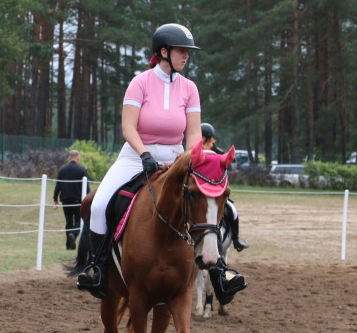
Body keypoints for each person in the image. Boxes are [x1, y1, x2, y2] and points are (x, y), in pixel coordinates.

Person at [77, 24, 245, 301]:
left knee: (216, 203)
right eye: (182, 51)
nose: (186, 56)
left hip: (177, 156)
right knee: (97, 205)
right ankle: (99, 269)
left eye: (188, 52)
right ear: (163, 52)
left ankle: (220, 273)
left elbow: (193, 133)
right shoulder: (140, 82)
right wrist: (144, 153)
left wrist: (195, 158)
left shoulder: (189, 88)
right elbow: (128, 126)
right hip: (136, 156)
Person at [201, 123, 248, 251]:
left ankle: (236, 239)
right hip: (199, 189)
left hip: (216, 189)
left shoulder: (218, 152)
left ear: (208, 138)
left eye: (202, 136)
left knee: (232, 209)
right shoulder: (194, 151)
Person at [53, 150, 90, 250]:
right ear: (78, 158)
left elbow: (58, 185)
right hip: (78, 200)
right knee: (79, 220)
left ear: (70, 158)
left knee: (69, 221)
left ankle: (69, 246)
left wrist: (55, 198)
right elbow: (87, 187)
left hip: (66, 200)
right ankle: (73, 234)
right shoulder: (82, 170)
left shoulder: (62, 170)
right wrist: (89, 199)